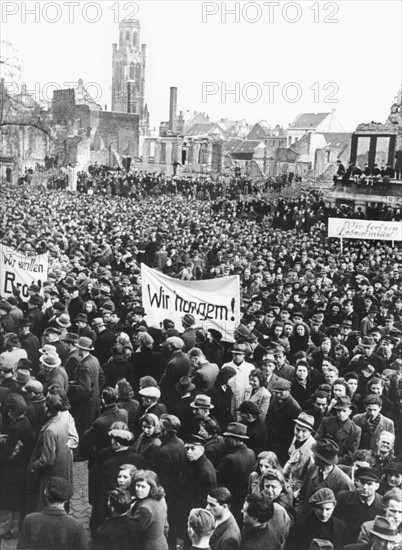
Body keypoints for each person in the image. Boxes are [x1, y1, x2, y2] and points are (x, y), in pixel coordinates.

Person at [26, 393, 73, 514]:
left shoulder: (50, 430)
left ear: (47, 408)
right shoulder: (62, 421)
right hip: (61, 468)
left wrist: (33, 466)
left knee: (46, 505)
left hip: (50, 473)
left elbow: (47, 460)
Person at [17, 477, 88, 550]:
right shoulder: (76, 526)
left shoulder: (29, 520)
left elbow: (21, 548)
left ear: (45, 495)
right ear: (67, 499)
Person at [175, 434, 217, 546]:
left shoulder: (203, 471)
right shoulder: (195, 464)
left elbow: (203, 501)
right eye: (187, 448)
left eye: (192, 448)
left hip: (194, 516)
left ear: (202, 449)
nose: (188, 452)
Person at [0, 394, 32, 539]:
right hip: (21, 466)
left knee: (10, 501)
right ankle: (15, 528)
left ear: (12, 410)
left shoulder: (16, 427)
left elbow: (7, 453)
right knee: (17, 501)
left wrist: (2, 443)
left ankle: (9, 529)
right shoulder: (25, 421)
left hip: (12, 470)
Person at [216, 422, 256, 525]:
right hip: (242, 499)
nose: (225, 439)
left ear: (237, 440)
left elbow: (218, 478)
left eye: (228, 437)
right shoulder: (251, 452)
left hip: (231, 500)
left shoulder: (230, 459)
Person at [284, 488, 349, 550]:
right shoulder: (299, 528)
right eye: (320, 508)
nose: (324, 513)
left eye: (328, 509)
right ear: (314, 507)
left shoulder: (341, 527)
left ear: (334, 507)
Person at [334, 467, 385, 544]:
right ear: (357, 482)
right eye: (362, 482)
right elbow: (335, 523)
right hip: (345, 543)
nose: (365, 487)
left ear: (377, 486)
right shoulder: (343, 498)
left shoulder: (383, 504)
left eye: (369, 484)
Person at [265, 378, 302, 465]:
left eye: (280, 392)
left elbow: (294, 430)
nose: (277, 395)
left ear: (288, 391)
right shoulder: (274, 398)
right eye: (276, 392)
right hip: (271, 438)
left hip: (283, 443)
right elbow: (268, 416)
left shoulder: (295, 407)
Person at [130, 470, 169, 550]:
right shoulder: (160, 499)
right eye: (137, 485)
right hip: (162, 544)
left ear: (152, 488)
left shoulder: (145, 508)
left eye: (143, 487)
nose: (139, 489)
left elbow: (132, 532)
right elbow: (166, 526)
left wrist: (128, 511)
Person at [315, 396, 361, 461]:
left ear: (350, 411)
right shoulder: (326, 421)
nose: (341, 414)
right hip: (321, 457)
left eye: (344, 411)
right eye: (339, 410)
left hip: (339, 463)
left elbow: (351, 454)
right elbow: (317, 440)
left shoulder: (355, 430)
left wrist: (334, 461)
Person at [283, 412, 316, 493]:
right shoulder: (296, 438)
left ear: (310, 432)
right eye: (297, 429)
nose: (299, 434)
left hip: (298, 488)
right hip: (288, 479)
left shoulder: (312, 450)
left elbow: (310, 478)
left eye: (304, 431)